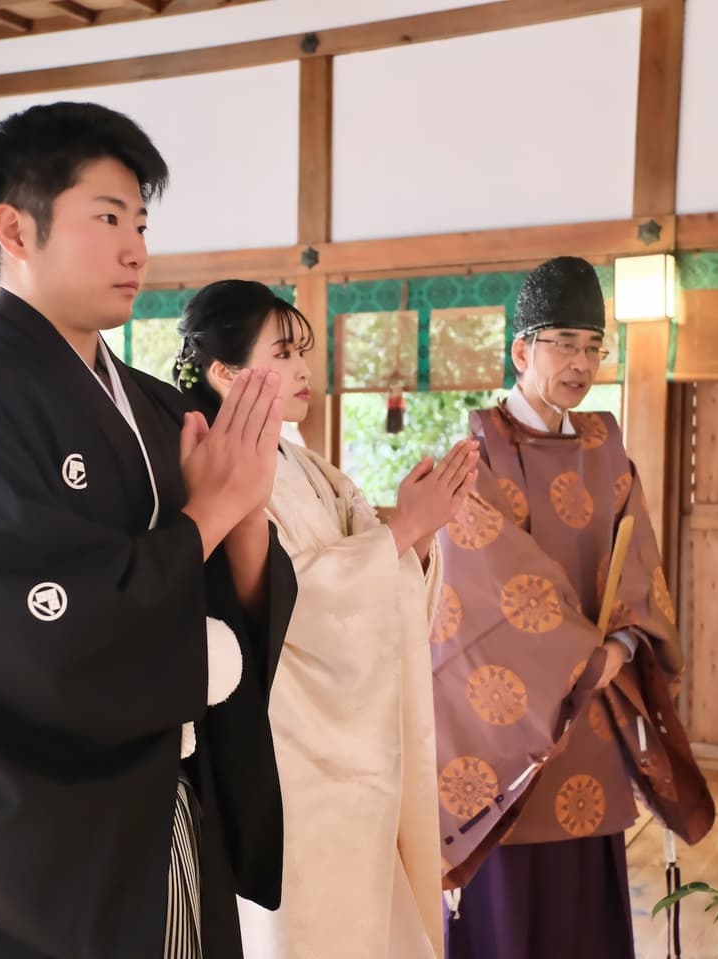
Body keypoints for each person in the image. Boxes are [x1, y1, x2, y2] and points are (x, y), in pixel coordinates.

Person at [0, 102, 297, 959]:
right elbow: (31, 635)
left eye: (140, 223)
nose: (136, 249)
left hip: (167, 804)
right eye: (107, 218)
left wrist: (246, 512)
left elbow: (226, 606)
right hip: (26, 854)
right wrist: (210, 514)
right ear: (14, 229)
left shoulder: (156, 405)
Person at [174, 279, 478, 959]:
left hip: (352, 734)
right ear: (226, 374)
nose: (304, 369)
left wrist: (418, 534)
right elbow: (284, 600)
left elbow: (372, 567)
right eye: (282, 353)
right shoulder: (212, 465)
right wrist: (405, 529)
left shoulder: (306, 463)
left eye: (303, 353)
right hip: (287, 739)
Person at [432, 256, 714, 958]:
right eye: (564, 343)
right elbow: (488, 583)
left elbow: (637, 557)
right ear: (521, 351)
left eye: (593, 346)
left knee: (584, 892)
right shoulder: (476, 455)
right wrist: (584, 656)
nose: (581, 363)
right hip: (510, 721)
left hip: (596, 703)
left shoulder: (605, 445)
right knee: (509, 890)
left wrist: (623, 645)